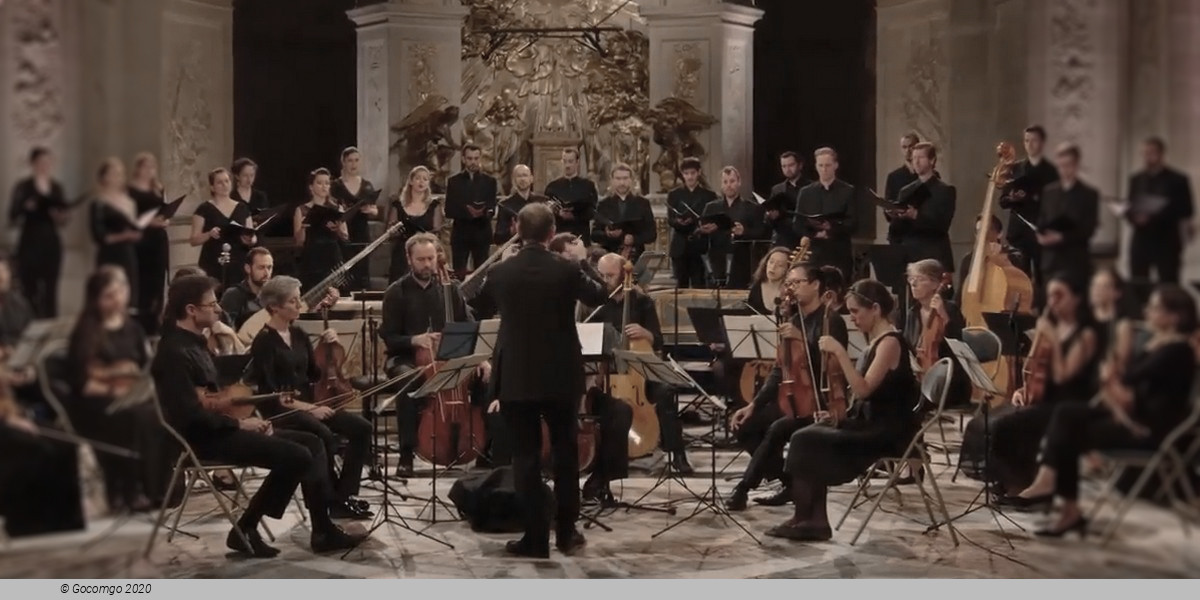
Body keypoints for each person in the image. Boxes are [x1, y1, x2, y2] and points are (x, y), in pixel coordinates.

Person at [152, 275, 365, 556]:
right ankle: (246, 527)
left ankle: (322, 529)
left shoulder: (196, 343)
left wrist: (246, 416)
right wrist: (241, 424)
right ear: (191, 310)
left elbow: (215, 398)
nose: (218, 309)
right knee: (297, 455)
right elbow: (190, 415)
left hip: (220, 427)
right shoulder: (173, 352)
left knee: (312, 443)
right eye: (212, 304)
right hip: (202, 438)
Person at [1011, 284, 1197, 536]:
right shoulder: (1157, 344)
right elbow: (1126, 384)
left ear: (1175, 317)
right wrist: (1113, 382)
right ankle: (1055, 492)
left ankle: (1061, 500)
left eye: (1154, 308)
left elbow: (1129, 381)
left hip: (1147, 431)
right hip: (1133, 413)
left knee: (1069, 431)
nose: (1147, 311)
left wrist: (1112, 379)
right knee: (1066, 413)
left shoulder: (1178, 351)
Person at [477, 202, 609, 557]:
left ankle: (535, 539)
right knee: (566, 455)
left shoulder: (501, 271)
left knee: (525, 457)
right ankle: (566, 534)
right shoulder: (567, 270)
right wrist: (582, 260)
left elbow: (476, 304)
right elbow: (601, 294)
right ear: (552, 233)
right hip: (560, 373)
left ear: (516, 230)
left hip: (517, 373)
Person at [765, 279, 922, 541]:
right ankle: (810, 519)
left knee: (804, 438)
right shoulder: (876, 341)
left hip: (886, 430)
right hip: (868, 421)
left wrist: (839, 352)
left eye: (856, 312)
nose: (853, 319)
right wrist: (837, 414)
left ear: (875, 309)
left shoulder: (890, 343)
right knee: (808, 433)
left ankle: (810, 520)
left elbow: (863, 390)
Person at [248, 276, 374, 519]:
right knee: (322, 433)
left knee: (361, 427)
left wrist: (329, 346)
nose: (299, 305)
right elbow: (273, 395)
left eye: (298, 299)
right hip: (283, 411)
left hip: (308, 405)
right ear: (274, 307)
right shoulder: (264, 341)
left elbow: (314, 375)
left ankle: (343, 495)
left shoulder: (298, 334)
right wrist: (310, 409)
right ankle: (326, 501)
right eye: (292, 301)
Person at [727, 263, 848, 510]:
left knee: (777, 429)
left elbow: (828, 368)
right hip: (794, 398)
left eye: (797, 283)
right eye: (789, 283)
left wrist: (801, 339)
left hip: (820, 403)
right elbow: (779, 370)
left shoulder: (830, 320)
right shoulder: (793, 320)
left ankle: (744, 488)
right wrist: (753, 405)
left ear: (815, 285)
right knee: (744, 425)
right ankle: (788, 481)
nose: (791, 288)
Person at [378, 233, 491, 475]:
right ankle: (406, 454)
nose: (427, 264)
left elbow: (468, 326)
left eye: (430, 258)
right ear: (409, 259)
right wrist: (415, 340)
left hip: (449, 357)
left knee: (485, 378)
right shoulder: (396, 292)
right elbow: (389, 337)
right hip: (406, 357)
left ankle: (486, 447)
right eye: (421, 260)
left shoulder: (450, 290)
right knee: (408, 380)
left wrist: (481, 359)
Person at [582, 253, 694, 482]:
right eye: (601, 276)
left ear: (624, 275)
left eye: (610, 275)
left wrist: (646, 334)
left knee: (665, 393)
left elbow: (658, 341)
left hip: (639, 374)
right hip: (608, 373)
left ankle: (677, 453)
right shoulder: (595, 304)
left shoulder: (642, 302)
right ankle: (602, 458)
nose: (605, 280)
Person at [65, 266, 169, 512]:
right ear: (96, 299)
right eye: (109, 295)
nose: (118, 299)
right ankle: (128, 490)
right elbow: (82, 381)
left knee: (158, 414)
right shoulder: (86, 331)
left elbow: (144, 368)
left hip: (130, 395)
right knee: (135, 417)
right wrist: (115, 391)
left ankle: (158, 489)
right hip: (96, 401)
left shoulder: (133, 328)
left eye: (121, 291)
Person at [990, 273, 1100, 504]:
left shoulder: (1086, 334)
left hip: (1069, 404)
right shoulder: (1051, 329)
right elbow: (1032, 369)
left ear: (1077, 299)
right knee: (993, 419)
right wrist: (1024, 390)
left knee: (1009, 425)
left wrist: (1052, 338)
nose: (1053, 301)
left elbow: (1063, 376)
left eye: (1060, 295)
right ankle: (1010, 480)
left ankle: (1026, 484)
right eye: (1051, 296)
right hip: (1046, 398)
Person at [901, 260, 971, 411]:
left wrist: (943, 315)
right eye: (911, 279)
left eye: (920, 279)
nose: (913, 284)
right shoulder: (913, 313)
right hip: (919, 372)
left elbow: (957, 344)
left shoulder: (950, 309)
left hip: (948, 378)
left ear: (935, 284)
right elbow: (906, 345)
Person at [1125, 137, 1195, 285]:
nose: (1147, 157)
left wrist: (1156, 214)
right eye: (1144, 153)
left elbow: (1186, 210)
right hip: (1142, 239)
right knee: (1138, 282)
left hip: (1166, 240)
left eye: (1151, 153)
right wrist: (1133, 216)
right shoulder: (1136, 179)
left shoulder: (1178, 180)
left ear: (1161, 154)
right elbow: (1130, 206)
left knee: (1168, 283)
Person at [8, 147, 67, 318]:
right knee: (29, 288)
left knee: (51, 289)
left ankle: (50, 323)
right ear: (33, 164)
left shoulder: (56, 187)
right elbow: (12, 215)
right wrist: (26, 207)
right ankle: (28, 323)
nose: (45, 166)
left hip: (51, 242)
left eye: (48, 162)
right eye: (41, 162)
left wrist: (59, 216)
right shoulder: (24, 187)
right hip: (30, 242)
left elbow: (64, 217)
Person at [1000, 125, 1060, 284]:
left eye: (1034, 141)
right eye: (1026, 141)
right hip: (1018, 233)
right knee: (1019, 278)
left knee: (1042, 279)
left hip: (1040, 231)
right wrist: (1012, 198)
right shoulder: (1014, 169)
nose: (1030, 145)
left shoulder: (1052, 171)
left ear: (1042, 143)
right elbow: (1003, 202)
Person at [888, 143, 957, 273]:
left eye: (920, 158)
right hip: (911, 255)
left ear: (932, 160)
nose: (916, 162)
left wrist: (916, 215)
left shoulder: (945, 190)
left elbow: (942, 226)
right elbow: (897, 230)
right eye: (914, 158)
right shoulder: (906, 191)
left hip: (935, 254)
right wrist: (896, 216)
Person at [1037, 143, 1099, 283]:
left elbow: (1089, 229)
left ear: (1076, 165)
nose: (1064, 170)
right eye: (1060, 166)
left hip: (1075, 261)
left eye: (1068, 165)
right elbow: (1042, 220)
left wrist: (1062, 237)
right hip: (1051, 261)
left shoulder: (1089, 194)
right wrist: (1040, 235)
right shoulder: (1049, 192)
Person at [794, 148, 857, 281]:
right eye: (820, 165)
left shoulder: (847, 191)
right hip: (814, 254)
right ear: (816, 166)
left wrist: (830, 229)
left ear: (836, 165)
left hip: (839, 253)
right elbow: (798, 224)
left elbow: (853, 223)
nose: (824, 169)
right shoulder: (806, 192)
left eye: (828, 165)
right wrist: (815, 234)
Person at [90, 158, 143, 313]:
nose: (118, 177)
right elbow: (99, 236)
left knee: (128, 292)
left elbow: (134, 228)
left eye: (120, 173)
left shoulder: (130, 202)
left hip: (127, 253)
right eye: (113, 173)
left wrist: (135, 234)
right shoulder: (98, 203)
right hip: (108, 254)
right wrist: (124, 236)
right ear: (104, 177)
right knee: (106, 290)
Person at [128, 153, 172, 335]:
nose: (149, 171)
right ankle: (140, 327)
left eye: (152, 167)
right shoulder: (130, 190)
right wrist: (149, 222)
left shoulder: (158, 188)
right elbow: (128, 217)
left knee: (158, 283)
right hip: (141, 241)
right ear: (138, 168)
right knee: (142, 283)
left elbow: (164, 209)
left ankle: (155, 324)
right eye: (145, 167)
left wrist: (166, 219)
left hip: (158, 240)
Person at [700, 166, 764, 288]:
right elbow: (701, 236)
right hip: (716, 262)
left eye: (732, 181)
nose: (729, 185)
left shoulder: (751, 207)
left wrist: (744, 231)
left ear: (739, 182)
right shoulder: (711, 207)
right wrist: (704, 231)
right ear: (721, 185)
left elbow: (760, 232)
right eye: (725, 182)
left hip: (741, 263)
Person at [331, 147, 381, 291]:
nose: (353, 164)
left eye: (356, 160)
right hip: (343, 233)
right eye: (350, 161)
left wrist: (371, 210)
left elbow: (375, 210)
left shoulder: (367, 186)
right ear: (343, 162)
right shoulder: (336, 186)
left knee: (362, 270)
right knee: (344, 271)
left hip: (361, 232)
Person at [445, 144, 498, 278]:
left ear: (480, 159)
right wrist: (468, 212)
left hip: (482, 232)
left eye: (476, 158)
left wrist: (484, 212)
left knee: (482, 274)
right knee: (459, 274)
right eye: (469, 158)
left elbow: (492, 205)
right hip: (460, 234)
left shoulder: (490, 181)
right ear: (463, 159)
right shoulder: (454, 182)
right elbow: (449, 210)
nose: (473, 162)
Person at [294, 168, 348, 294]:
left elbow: (345, 236)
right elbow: (299, 242)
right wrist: (303, 227)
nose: (324, 186)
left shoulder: (337, 208)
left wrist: (337, 229)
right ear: (311, 187)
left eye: (327, 183)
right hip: (312, 257)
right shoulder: (301, 210)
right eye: (319, 183)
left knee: (335, 293)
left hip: (332, 256)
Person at [666, 157, 717, 288]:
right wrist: (678, 222)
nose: (690, 177)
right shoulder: (674, 194)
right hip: (680, 247)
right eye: (686, 173)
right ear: (682, 174)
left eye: (692, 173)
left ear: (698, 172)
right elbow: (670, 219)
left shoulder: (709, 195)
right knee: (680, 287)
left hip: (699, 246)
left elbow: (712, 219)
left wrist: (703, 225)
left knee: (699, 285)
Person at [387, 165, 444, 281]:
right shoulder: (398, 205)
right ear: (411, 181)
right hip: (402, 253)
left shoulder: (434, 206)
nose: (421, 182)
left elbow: (436, 232)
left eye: (425, 179)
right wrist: (393, 231)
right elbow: (390, 230)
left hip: (425, 252)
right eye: (418, 178)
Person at [592, 163, 657, 262]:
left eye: (625, 178)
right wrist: (608, 235)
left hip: (636, 257)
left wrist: (634, 239)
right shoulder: (603, 204)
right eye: (618, 179)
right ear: (612, 180)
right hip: (609, 257)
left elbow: (652, 234)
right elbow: (594, 234)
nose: (622, 183)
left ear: (632, 180)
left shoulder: (642, 203)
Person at [955, 215, 1027, 303]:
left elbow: (1020, 286)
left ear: (999, 233)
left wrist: (1000, 260)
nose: (983, 236)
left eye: (988, 230)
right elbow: (960, 295)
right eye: (979, 231)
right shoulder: (969, 259)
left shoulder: (1013, 255)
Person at [544, 147, 598, 239]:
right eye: (565, 161)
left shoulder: (588, 186)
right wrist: (559, 213)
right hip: (559, 234)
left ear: (577, 162)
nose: (567, 165)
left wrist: (575, 216)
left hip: (581, 233)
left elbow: (593, 210)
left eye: (570, 161)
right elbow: (546, 211)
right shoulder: (552, 187)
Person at [765, 151, 812, 249]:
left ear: (800, 165)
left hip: (805, 237)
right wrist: (771, 216)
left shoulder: (811, 187)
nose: (787, 169)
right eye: (784, 166)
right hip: (783, 238)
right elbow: (770, 222)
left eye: (791, 165)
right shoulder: (777, 189)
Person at [219, 247, 273, 330]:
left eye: (269, 267)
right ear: (248, 268)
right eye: (261, 268)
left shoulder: (274, 295)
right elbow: (225, 328)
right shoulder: (234, 295)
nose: (267, 273)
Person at [495, 164, 548, 244]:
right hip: (516, 247)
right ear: (514, 180)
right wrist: (511, 232)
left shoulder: (542, 202)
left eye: (525, 175)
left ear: (531, 179)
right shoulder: (505, 205)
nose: (522, 179)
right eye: (519, 176)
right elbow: (498, 238)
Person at [746, 247, 792, 316]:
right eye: (771, 262)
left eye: (780, 265)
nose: (773, 267)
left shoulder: (790, 291)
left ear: (788, 269)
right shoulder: (756, 289)